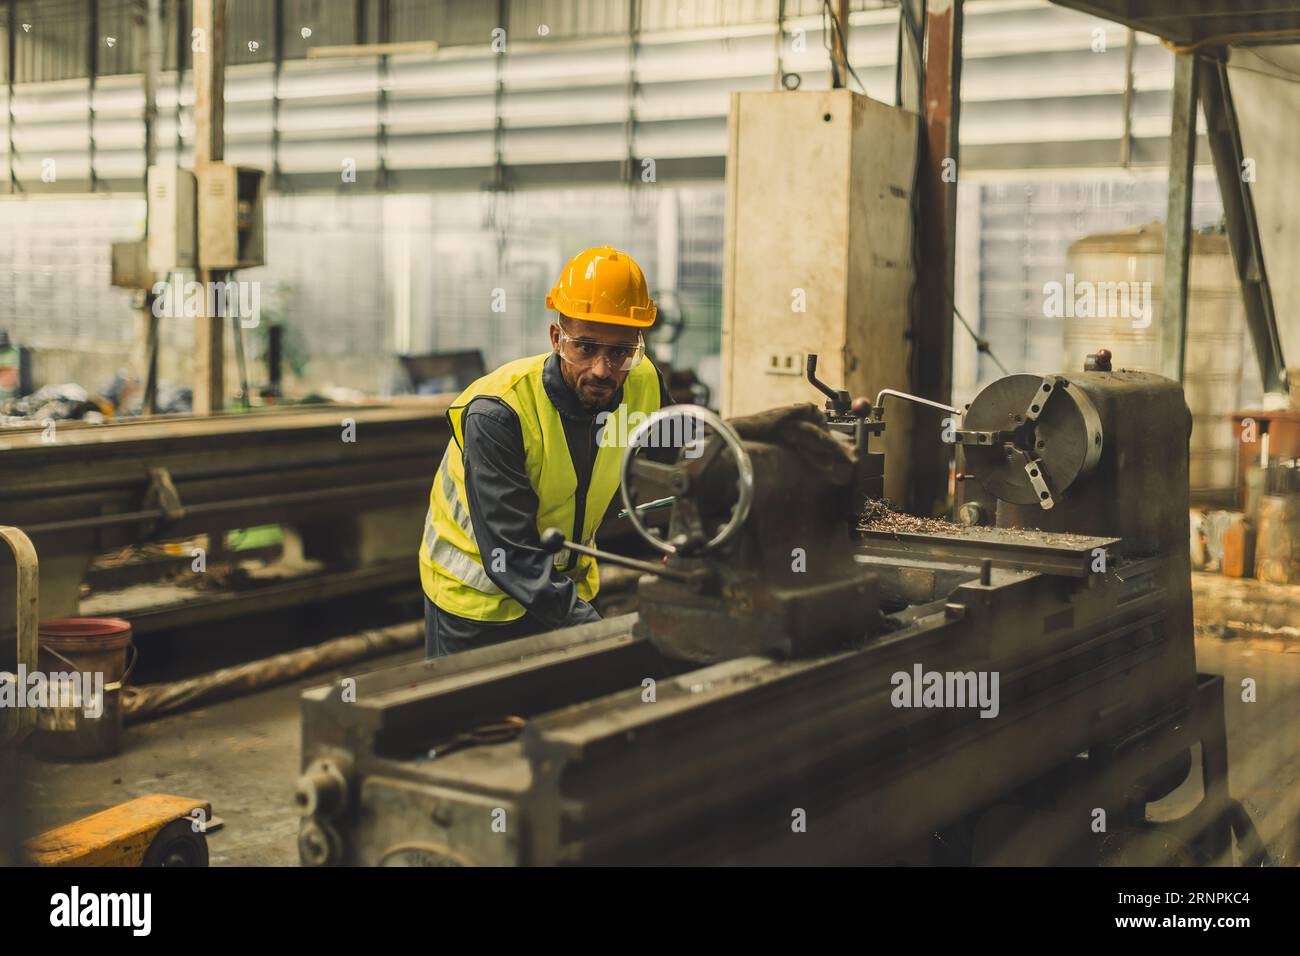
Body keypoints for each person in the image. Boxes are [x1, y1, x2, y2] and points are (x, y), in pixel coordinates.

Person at [418, 246, 672, 658]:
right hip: (476, 603)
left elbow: (679, 466)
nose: (603, 370)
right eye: (585, 348)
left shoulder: (644, 382)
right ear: (557, 338)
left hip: (564, 587)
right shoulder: (500, 412)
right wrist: (596, 632)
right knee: (479, 720)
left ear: (637, 346)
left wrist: (685, 545)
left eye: (620, 352)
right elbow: (511, 554)